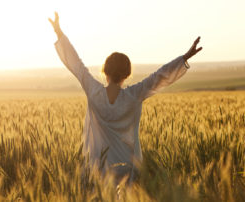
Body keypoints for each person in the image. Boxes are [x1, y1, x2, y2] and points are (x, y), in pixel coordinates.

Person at [49, 12, 202, 186]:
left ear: (104, 72)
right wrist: (185, 58)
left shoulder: (94, 92)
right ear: (127, 74)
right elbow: (160, 76)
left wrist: (59, 33)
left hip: (100, 170)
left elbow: (76, 64)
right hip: (129, 171)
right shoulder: (134, 95)